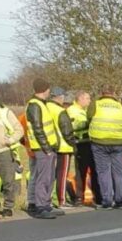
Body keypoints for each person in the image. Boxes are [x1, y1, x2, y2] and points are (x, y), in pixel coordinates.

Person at [26, 79, 63, 219]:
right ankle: (40, 206)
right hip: (43, 148)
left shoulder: (41, 104)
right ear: (44, 89)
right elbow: (38, 129)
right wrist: (47, 148)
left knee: (49, 177)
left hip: (48, 147)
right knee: (43, 178)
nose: (49, 91)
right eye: (48, 89)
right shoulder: (35, 105)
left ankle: (46, 204)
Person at [88, 87, 122, 210]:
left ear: (102, 93)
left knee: (103, 171)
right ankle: (121, 200)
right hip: (118, 142)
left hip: (100, 141)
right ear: (114, 94)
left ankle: (107, 201)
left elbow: (89, 117)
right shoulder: (121, 106)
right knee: (119, 172)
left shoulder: (95, 104)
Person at [0, 85, 24, 219]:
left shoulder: (4, 112)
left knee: (8, 181)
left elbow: (19, 130)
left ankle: (8, 206)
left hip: (3, 152)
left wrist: (10, 140)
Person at [67, 91, 99, 206]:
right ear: (80, 99)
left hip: (89, 142)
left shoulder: (84, 110)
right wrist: (89, 123)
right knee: (81, 171)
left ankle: (97, 197)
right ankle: (79, 197)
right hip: (80, 143)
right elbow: (72, 126)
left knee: (94, 169)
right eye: (87, 98)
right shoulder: (72, 110)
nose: (89, 101)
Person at [46, 87, 77, 208]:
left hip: (50, 145)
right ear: (60, 97)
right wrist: (73, 144)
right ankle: (62, 200)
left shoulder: (46, 107)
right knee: (62, 175)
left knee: (50, 174)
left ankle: (47, 199)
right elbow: (66, 130)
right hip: (63, 146)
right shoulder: (60, 111)